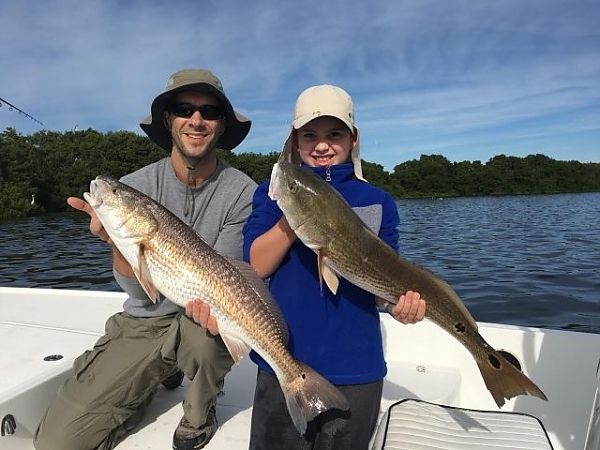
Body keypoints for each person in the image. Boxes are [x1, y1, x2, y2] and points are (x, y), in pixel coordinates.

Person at [33, 69, 257, 450]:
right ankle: (150, 382)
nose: (197, 120)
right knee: (56, 443)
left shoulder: (243, 192)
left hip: (200, 318)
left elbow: (228, 277)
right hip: (144, 320)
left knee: (207, 339)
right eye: (184, 108)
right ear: (169, 119)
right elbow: (138, 294)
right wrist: (117, 244)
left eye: (210, 112)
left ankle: (200, 411)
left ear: (221, 126)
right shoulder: (134, 186)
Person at [241, 84, 427, 450]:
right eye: (309, 135)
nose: (322, 145)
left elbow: (383, 285)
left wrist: (400, 306)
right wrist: (297, 212)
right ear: (294, 139)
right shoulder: (273, 191)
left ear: (353, 138)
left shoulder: (378, 202)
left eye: (335, 134)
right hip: (283, 359)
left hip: (358, 366)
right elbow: (257, 264)